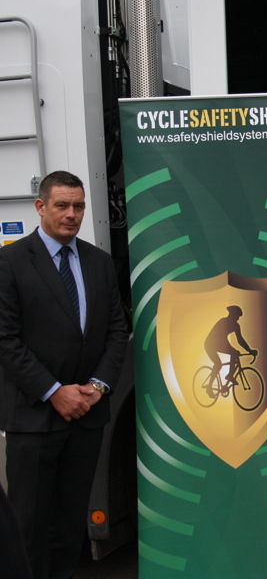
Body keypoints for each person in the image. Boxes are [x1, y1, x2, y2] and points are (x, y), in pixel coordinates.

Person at [0, 170, 128, 579]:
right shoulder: (10, 262)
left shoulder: (99, 262)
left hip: (86, 416)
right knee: (29, 527)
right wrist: (54, 391)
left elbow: (116, 331)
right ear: (40, 206)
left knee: (69, 527)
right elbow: (5, 340)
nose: (72, 214)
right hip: (34, 418)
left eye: (78, 206)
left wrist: (97, 387)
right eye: (62, 205)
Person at [204, 305, 256, 386]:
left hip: (219, 343)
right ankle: (209, 386)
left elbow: (240, 340)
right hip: (210, 344)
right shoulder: (223, 322)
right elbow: (220, 339)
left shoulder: (236, 325)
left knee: (234, 353)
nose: (237, 318)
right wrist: (235, 350)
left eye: (238, 317)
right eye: (236, 316)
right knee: (218, 364)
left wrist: (249, 350)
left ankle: (230, 375)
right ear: (231, 314)